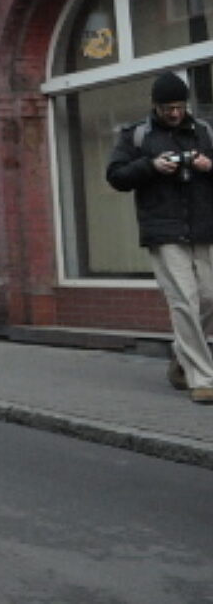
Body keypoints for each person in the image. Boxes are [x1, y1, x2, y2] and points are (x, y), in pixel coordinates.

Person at [106, 71, 213, 403]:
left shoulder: (205, 131)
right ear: (156, 106)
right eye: (168, 108)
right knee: (184, 301)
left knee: (209, 298)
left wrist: (209, 166)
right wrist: (151, 166)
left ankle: (182, 360)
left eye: (180, 106)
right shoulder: (137, 135)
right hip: (163, 231)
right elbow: (116, 176)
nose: (175, 113)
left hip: (204, 227)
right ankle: (203, 377)